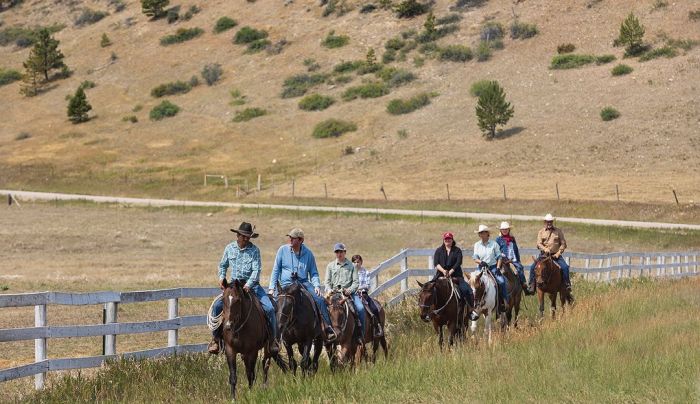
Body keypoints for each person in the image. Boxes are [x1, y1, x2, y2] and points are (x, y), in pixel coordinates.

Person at [209, 222, 279, 355]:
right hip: (234, 286)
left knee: (269, 309)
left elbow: (256, 269)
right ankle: (216, 340)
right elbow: (222, 265)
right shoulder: (229, 248)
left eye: (248, 237)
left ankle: (272, 340)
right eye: (244, 236)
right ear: (238, 235)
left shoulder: (254, 250)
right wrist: (221, 277)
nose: (246, 239)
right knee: (217, 307)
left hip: (252, 286)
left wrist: (249, 284)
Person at [268, 228, 337, 341]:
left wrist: (316, 286)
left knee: (319, 299)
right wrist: (271, 288)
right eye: (289, 237)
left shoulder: (308, 253)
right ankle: (271, 332)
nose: (290, 239)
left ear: (300, 240)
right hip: (286, 284)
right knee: (274, 304)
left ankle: (327, 328)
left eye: (293, 238)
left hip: (303, 283)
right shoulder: (282, 250)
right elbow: (276, 270)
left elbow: (314, 273)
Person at [324, 243, 365, 345]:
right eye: (337, 252)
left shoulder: (352, 266)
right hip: (333, 293)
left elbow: (356, 282)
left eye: (341, 252)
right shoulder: (330, 266)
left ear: (345, 252)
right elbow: (327, 282)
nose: (339, 254)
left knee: (360, 308)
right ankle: (323, 334)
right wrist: (329, 290)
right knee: (321, 307)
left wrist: (349, 290)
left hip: (348, 294)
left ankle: (360, 334)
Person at [433, 232, 478, 321]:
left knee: (466, 290)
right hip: (441, 275)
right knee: (428, 289)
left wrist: (450, 272)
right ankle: (429, 312)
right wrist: (443, 271)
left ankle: (470, 311)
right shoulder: (439, 250)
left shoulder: (457, 250)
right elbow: (436, 263)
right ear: (443, 240)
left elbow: (458, 263)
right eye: (446, 239)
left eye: (449, 239)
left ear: (452, 240)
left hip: (455, 275)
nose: (447, 241)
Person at [528, 214, 573, 298]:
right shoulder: (541, 232)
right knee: (532, 267)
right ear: (545, 222)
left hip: (555, 255)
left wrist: (558, 253)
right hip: (544, 256)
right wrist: (545, 249)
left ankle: (567, 285)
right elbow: (538, 243)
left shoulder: (558, 231)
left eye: (550, 221)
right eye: (548, 221)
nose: (549, 223)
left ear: (552, 222)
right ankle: (531, 285)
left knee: (565, 267)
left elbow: (563, 244)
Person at [472, 224, 508, 312]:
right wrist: (481, 262)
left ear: (487, 233)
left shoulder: (494, 244)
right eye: (480, 233)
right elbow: (475, 258)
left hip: (492, 267)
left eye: (483, 233)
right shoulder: (477, 245)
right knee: (472, 283)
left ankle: (503, 302)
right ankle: (471, 305)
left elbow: (499, 257)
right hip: (481, 268)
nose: (481, 234)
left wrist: (498, 267)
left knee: (501, 281)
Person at [495, 222, 533, 296]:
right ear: (500, 230)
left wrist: (518, 260)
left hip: (513, 259)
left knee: (519, 268)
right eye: (503, 229)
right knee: (500, 271)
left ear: (509, 230)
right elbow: (496, 250)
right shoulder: (498, 239)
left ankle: (524, 286)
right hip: (503, 260)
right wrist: (502, 257)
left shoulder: (512, 239)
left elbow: (515, 250)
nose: (505, 231)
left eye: (506, 229)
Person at [353, 254, 383, 337]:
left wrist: (359, 288)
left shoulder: (365, 272)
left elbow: (368, 285)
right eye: (354, 262)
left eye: (358, 262)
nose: (356, 264)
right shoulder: (350, 273)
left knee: (374, 308)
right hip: (353, 293)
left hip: (363, 293)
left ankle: (377, 327)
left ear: (361, 262)